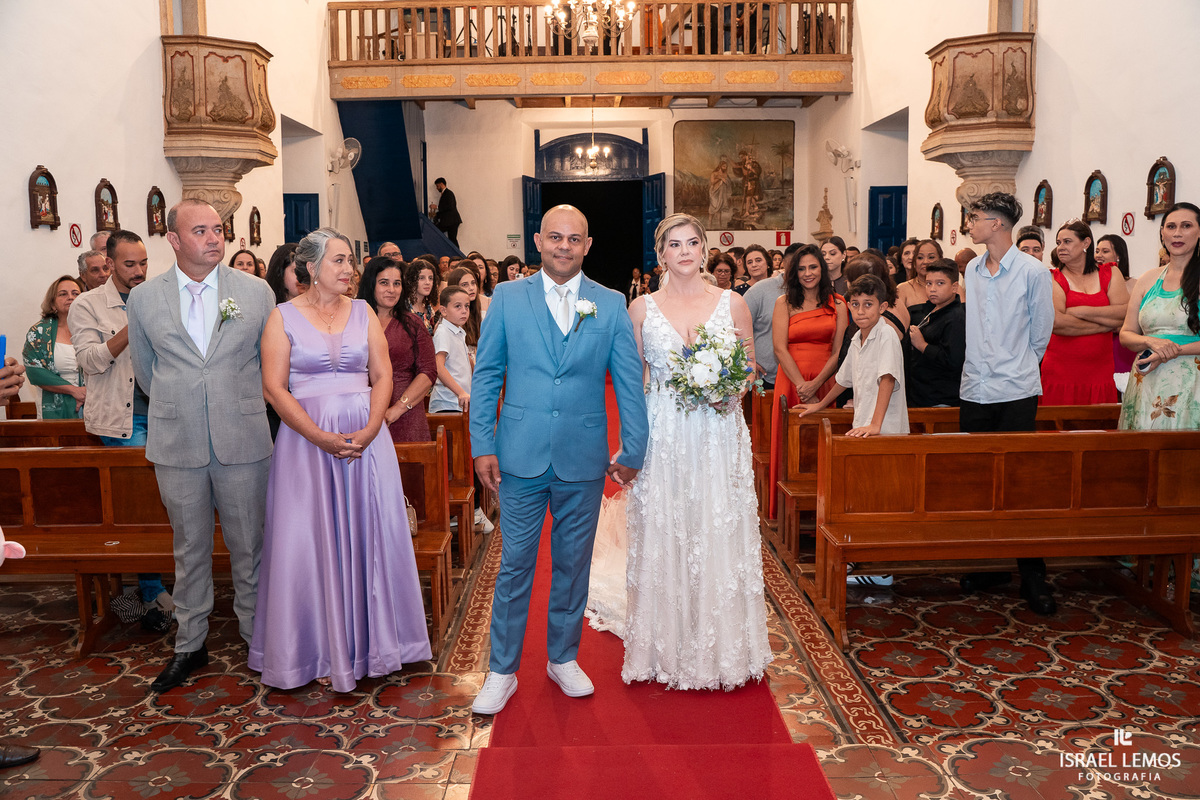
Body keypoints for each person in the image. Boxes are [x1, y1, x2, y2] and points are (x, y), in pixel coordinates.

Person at [469, 204, 648, 715]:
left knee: (572, 566)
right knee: (514, 566)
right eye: (554, 238)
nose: (564, 246)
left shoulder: (609, 304)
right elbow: (487, 377)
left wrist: (632, 448)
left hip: (583, 457)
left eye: (574, 239)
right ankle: (502, 671)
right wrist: (483, 443)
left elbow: (629, 382)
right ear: (538, 241)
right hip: (519, 455)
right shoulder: (506, 297)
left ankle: (562, 658)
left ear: (588, 246)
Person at [250, 227, 431, 692]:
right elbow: (274, 387)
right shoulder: (282, 317)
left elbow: (382, 373)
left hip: (366, 439)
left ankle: (378, 646)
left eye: (350, 260)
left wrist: (373, 428)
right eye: (339, 261)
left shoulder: (364, 311)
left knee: (371, 532)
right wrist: (318, 436)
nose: (349, 269)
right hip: (305, 444)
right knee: (308, 540)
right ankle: (313, 651)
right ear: (311, 268)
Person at [602, 213, 771, 690]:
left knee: (713, 526)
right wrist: (629, 443)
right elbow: (632, 384)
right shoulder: (641, 309)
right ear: (661, 254)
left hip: (717, 431)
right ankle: (665, 645)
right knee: (668, 526)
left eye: (692, 242)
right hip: (665, 433)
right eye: (674, 244)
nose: (684, 251)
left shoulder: (732, 303)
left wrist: (731, 389)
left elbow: (750, 367)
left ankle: (720, 646)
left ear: (704, 249)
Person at [127, 199, 277, 693]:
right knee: (189, 549)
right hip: (177, 441)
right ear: (173, 239)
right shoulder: (145, 299)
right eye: (201, 230)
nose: (215, 238)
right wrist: (187, 403)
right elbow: (147, 372)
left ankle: (259, 638)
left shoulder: (255, 293)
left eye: (219, 229)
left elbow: (269, 364)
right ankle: (190, 644)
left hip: (243, 437)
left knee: (249, 545)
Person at [957, 192, 1055, 616]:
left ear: (996, 223)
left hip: (1016, 390)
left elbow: (1041, 333)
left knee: (1019, 485)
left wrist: (1016, 367)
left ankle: (1033, 573)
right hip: (974, 388)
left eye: (975, 218)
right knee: (978, 482)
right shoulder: (974, 270)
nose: (970, 224)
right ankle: (988, 563)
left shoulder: (1033, 271)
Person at [767, 243, 848, 517]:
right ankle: (788, 514)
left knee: (821, 447)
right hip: (791, 380)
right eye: (801, 269)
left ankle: (822, 514)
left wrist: (816, 386)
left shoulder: (838, 304)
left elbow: (840, 350)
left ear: (822, 269)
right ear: (794, 273)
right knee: (790, 445)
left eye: (813, 267)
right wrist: (802, 385)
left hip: (826, 381)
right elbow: (780, 348)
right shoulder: (784, 303)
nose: (807, 273)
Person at [1119, 202, 1200, 429]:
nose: (1177, 233)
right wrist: (1149, 341)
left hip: (1192, 381)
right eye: (1171, 226)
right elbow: (1126, 333)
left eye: (1186, 226)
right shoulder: (1148, 279)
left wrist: (1171, 349)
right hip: (1147, 382)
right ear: (1162, 233)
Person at [797, 273, 908, 436]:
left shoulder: (886, 334)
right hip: (862, 423)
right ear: (848, 306)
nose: (860, 311)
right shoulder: (857, 337)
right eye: (855, 304)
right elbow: (843, 380)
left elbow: (888, 379)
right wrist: (820, 404)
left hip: (884, 427)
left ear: (882, 307)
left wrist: (875, 425)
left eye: (868, 304)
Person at [1040, 219, 1128, 405]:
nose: (1061, 247)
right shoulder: (1053, 278)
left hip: (1100, 370)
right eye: (1058, 243)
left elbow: (1123, 313)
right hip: (1061, 370)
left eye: (1067, 241)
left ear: (1086, 243)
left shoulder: (1110, 273)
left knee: (1098, 428)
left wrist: (1079, 310)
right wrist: (1106, 324)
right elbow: (1057, 323)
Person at [359, 256, 436, 442]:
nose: (391, 290)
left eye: (397, 283)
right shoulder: (354, 322)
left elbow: (428, 371)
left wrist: (398, 409)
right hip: (362, 413)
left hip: (406, 414)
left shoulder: (413, 324)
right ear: (371, 284)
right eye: (384, 283)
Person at [23, 276, 86, 419]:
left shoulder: (92, 329)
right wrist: (74, 391)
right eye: (63, 294)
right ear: (52, 304)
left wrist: (87, 392)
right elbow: (35, 371)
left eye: (76, 293)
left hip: (91, 404)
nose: (70, 297)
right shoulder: (38, 333)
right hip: (54, 406)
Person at [907, 260, 966, 407]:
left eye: (940, 283)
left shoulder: (956, 317)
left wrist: (922, 345)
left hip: (941, 399)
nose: (932, 289)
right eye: (929, 283)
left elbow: (953, 361)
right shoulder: (932, 310)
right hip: (921, 394)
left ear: (954, 287)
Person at [742, 244, 791, 388]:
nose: (754, 265)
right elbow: (737, 329)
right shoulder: (755, 291)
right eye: (750, 262)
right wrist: (748, 361)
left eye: (758, 260)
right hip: (764, 373)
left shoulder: (808, 290)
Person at [429, 286, 473, 414]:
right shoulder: (443, 332)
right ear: (443, 310)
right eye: (458, 306)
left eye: (467, 306)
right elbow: (438, 366)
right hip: (447, 403)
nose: (464, 311)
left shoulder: (458, 332)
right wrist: (460, 392)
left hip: (458, 403)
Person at [897, 239, 942, 315]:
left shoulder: (954, 288)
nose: (925, 262)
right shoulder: (902, 290)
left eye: (931, 257)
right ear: (914, 263)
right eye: (920, 258)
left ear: (940, 259)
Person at [407, 258, 439, 334]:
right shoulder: (404, 308)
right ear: (411, 280)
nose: (427, 282)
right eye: (421, 278)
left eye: (430, 278)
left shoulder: (428, 309)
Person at [432, 178, 462, 246]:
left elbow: (450, 206)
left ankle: (457, 255)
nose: (437, 188)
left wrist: (436, 207)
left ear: (441, 184)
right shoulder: (446, 193)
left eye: (437, 186)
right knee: (452, 239)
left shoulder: (448, 193)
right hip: (450, 221)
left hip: (451, 221)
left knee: (452, 239)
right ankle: (457, 255)